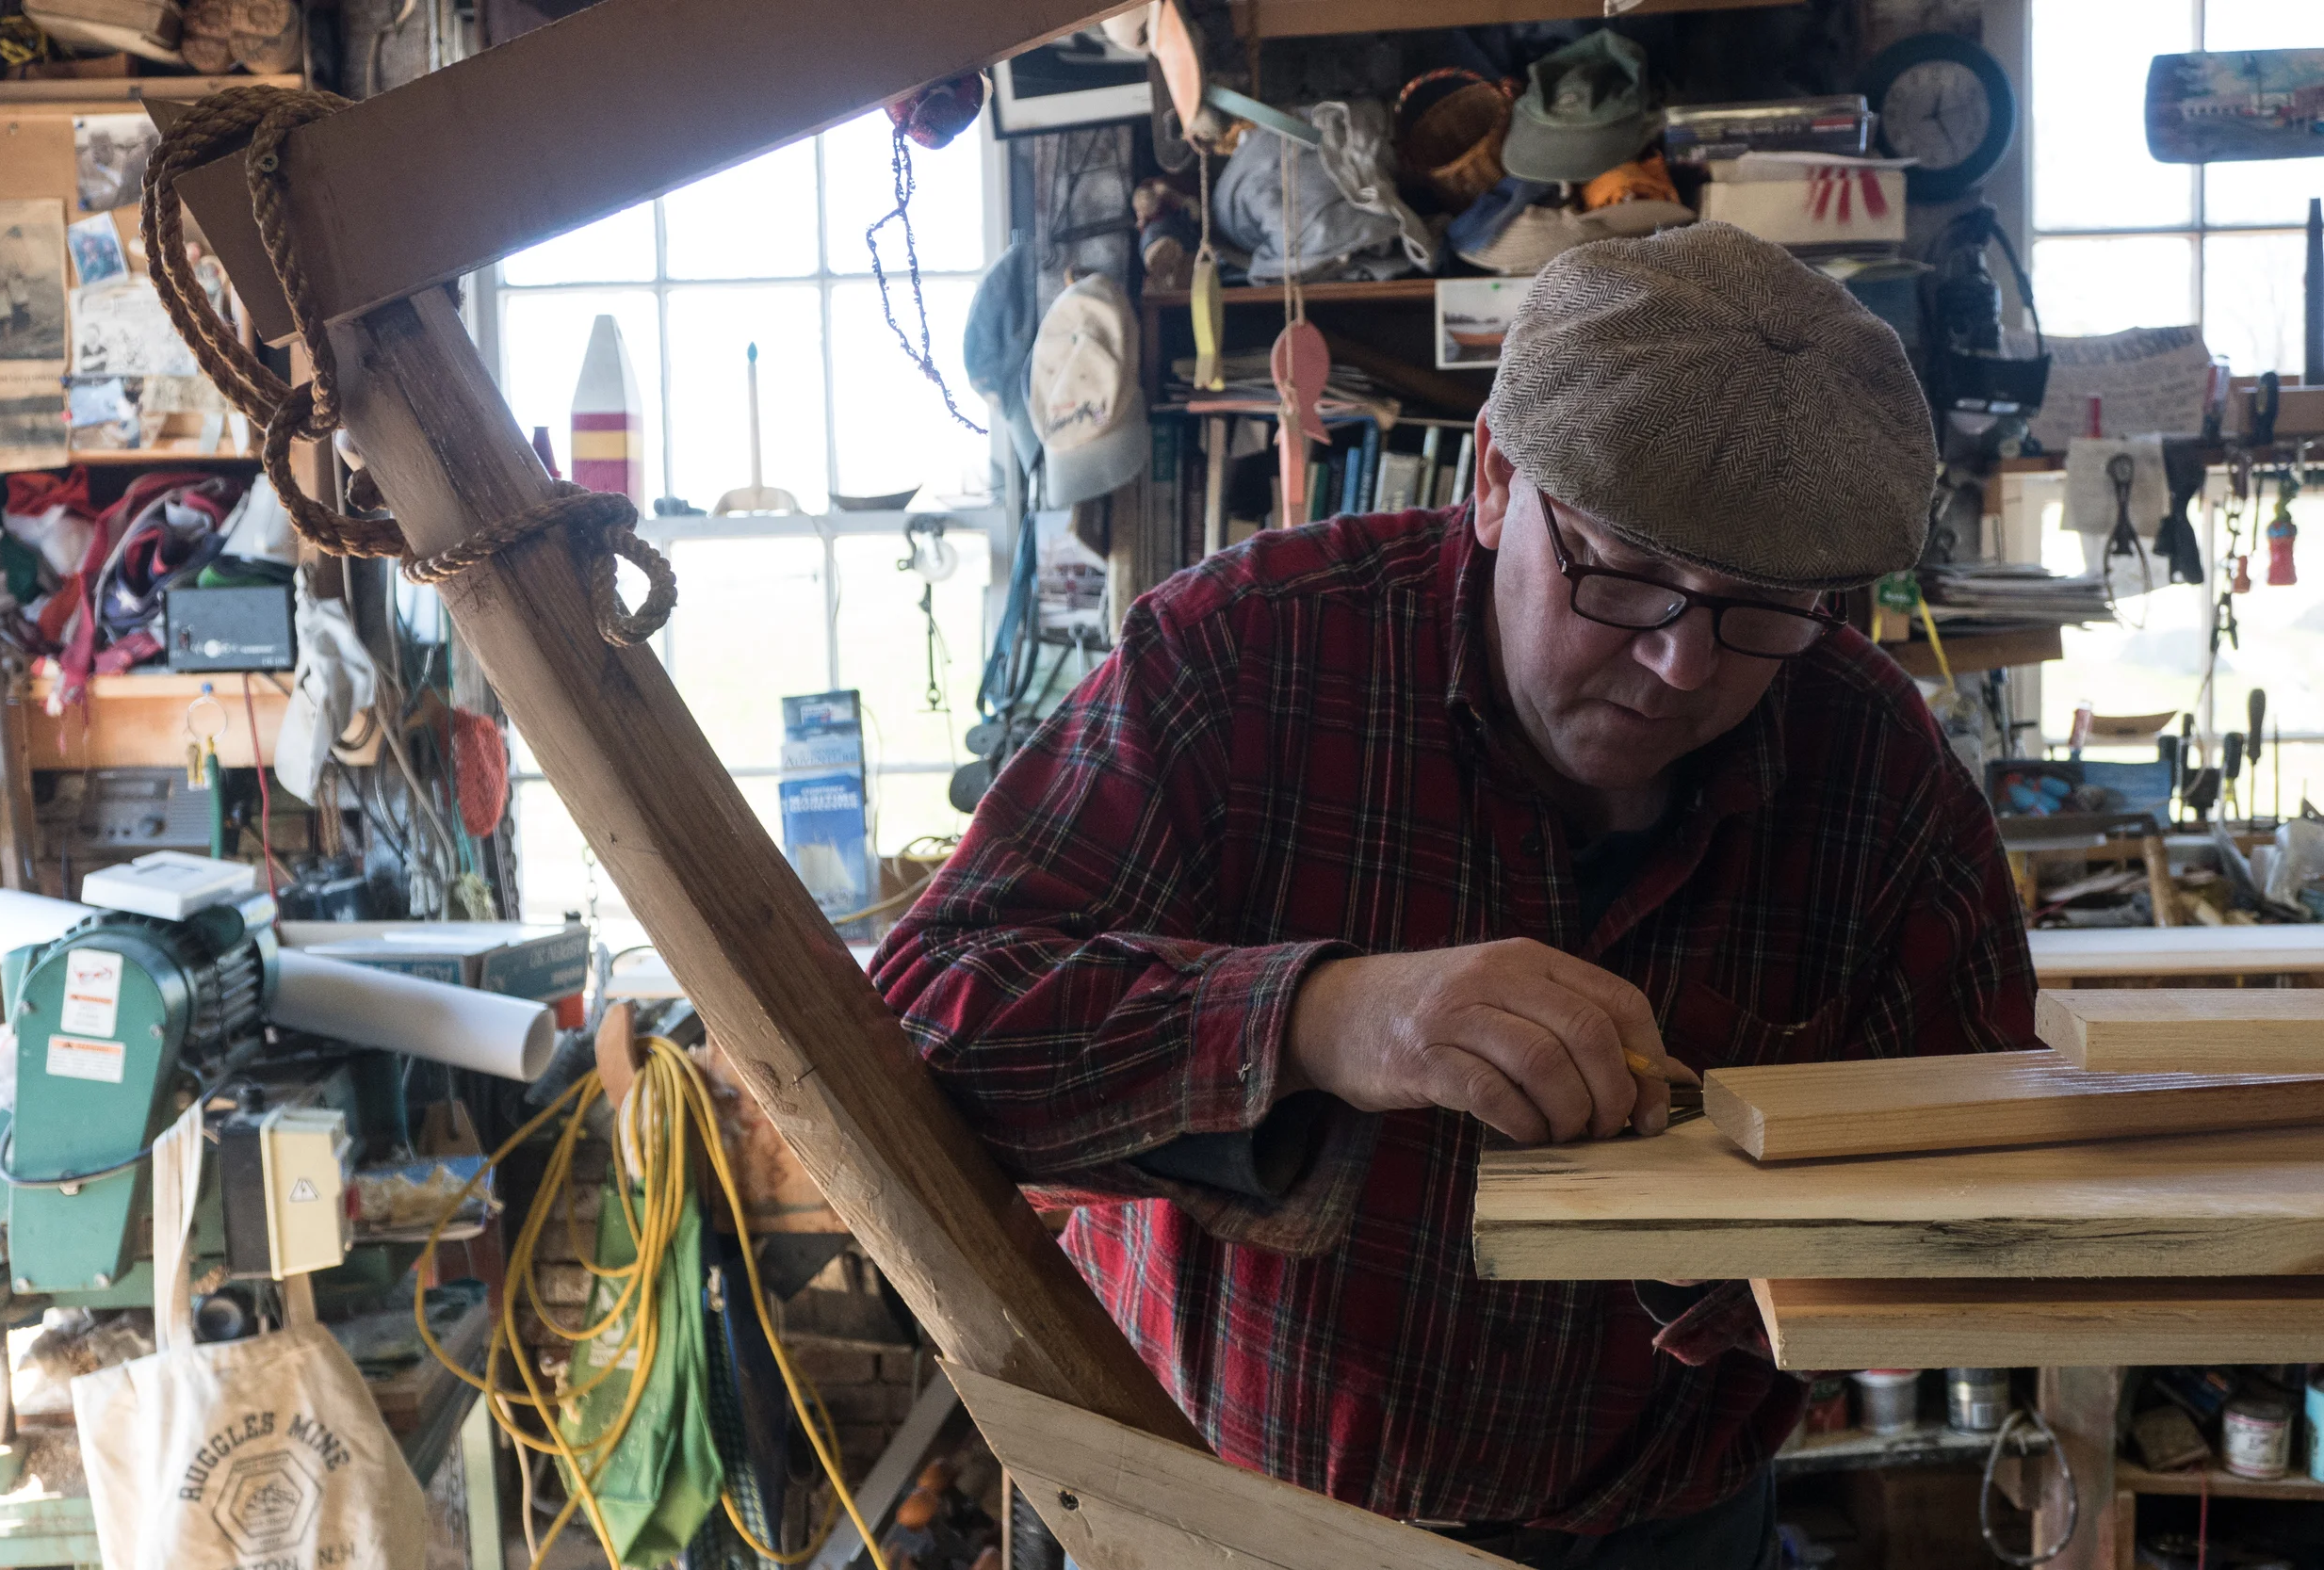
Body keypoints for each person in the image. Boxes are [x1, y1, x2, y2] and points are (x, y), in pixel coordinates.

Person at [869, 222, 2036, 1569]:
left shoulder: (1875, 770)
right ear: (1492, 477)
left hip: (1660, 1539)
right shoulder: (1246, 659)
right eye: (1627, 575)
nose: (1676, 663)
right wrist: (1324, 1018)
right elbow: (924, 1018)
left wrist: (1726, 1230)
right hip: (1230, 1526)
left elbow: (1976, 1181)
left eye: (1756, 610)